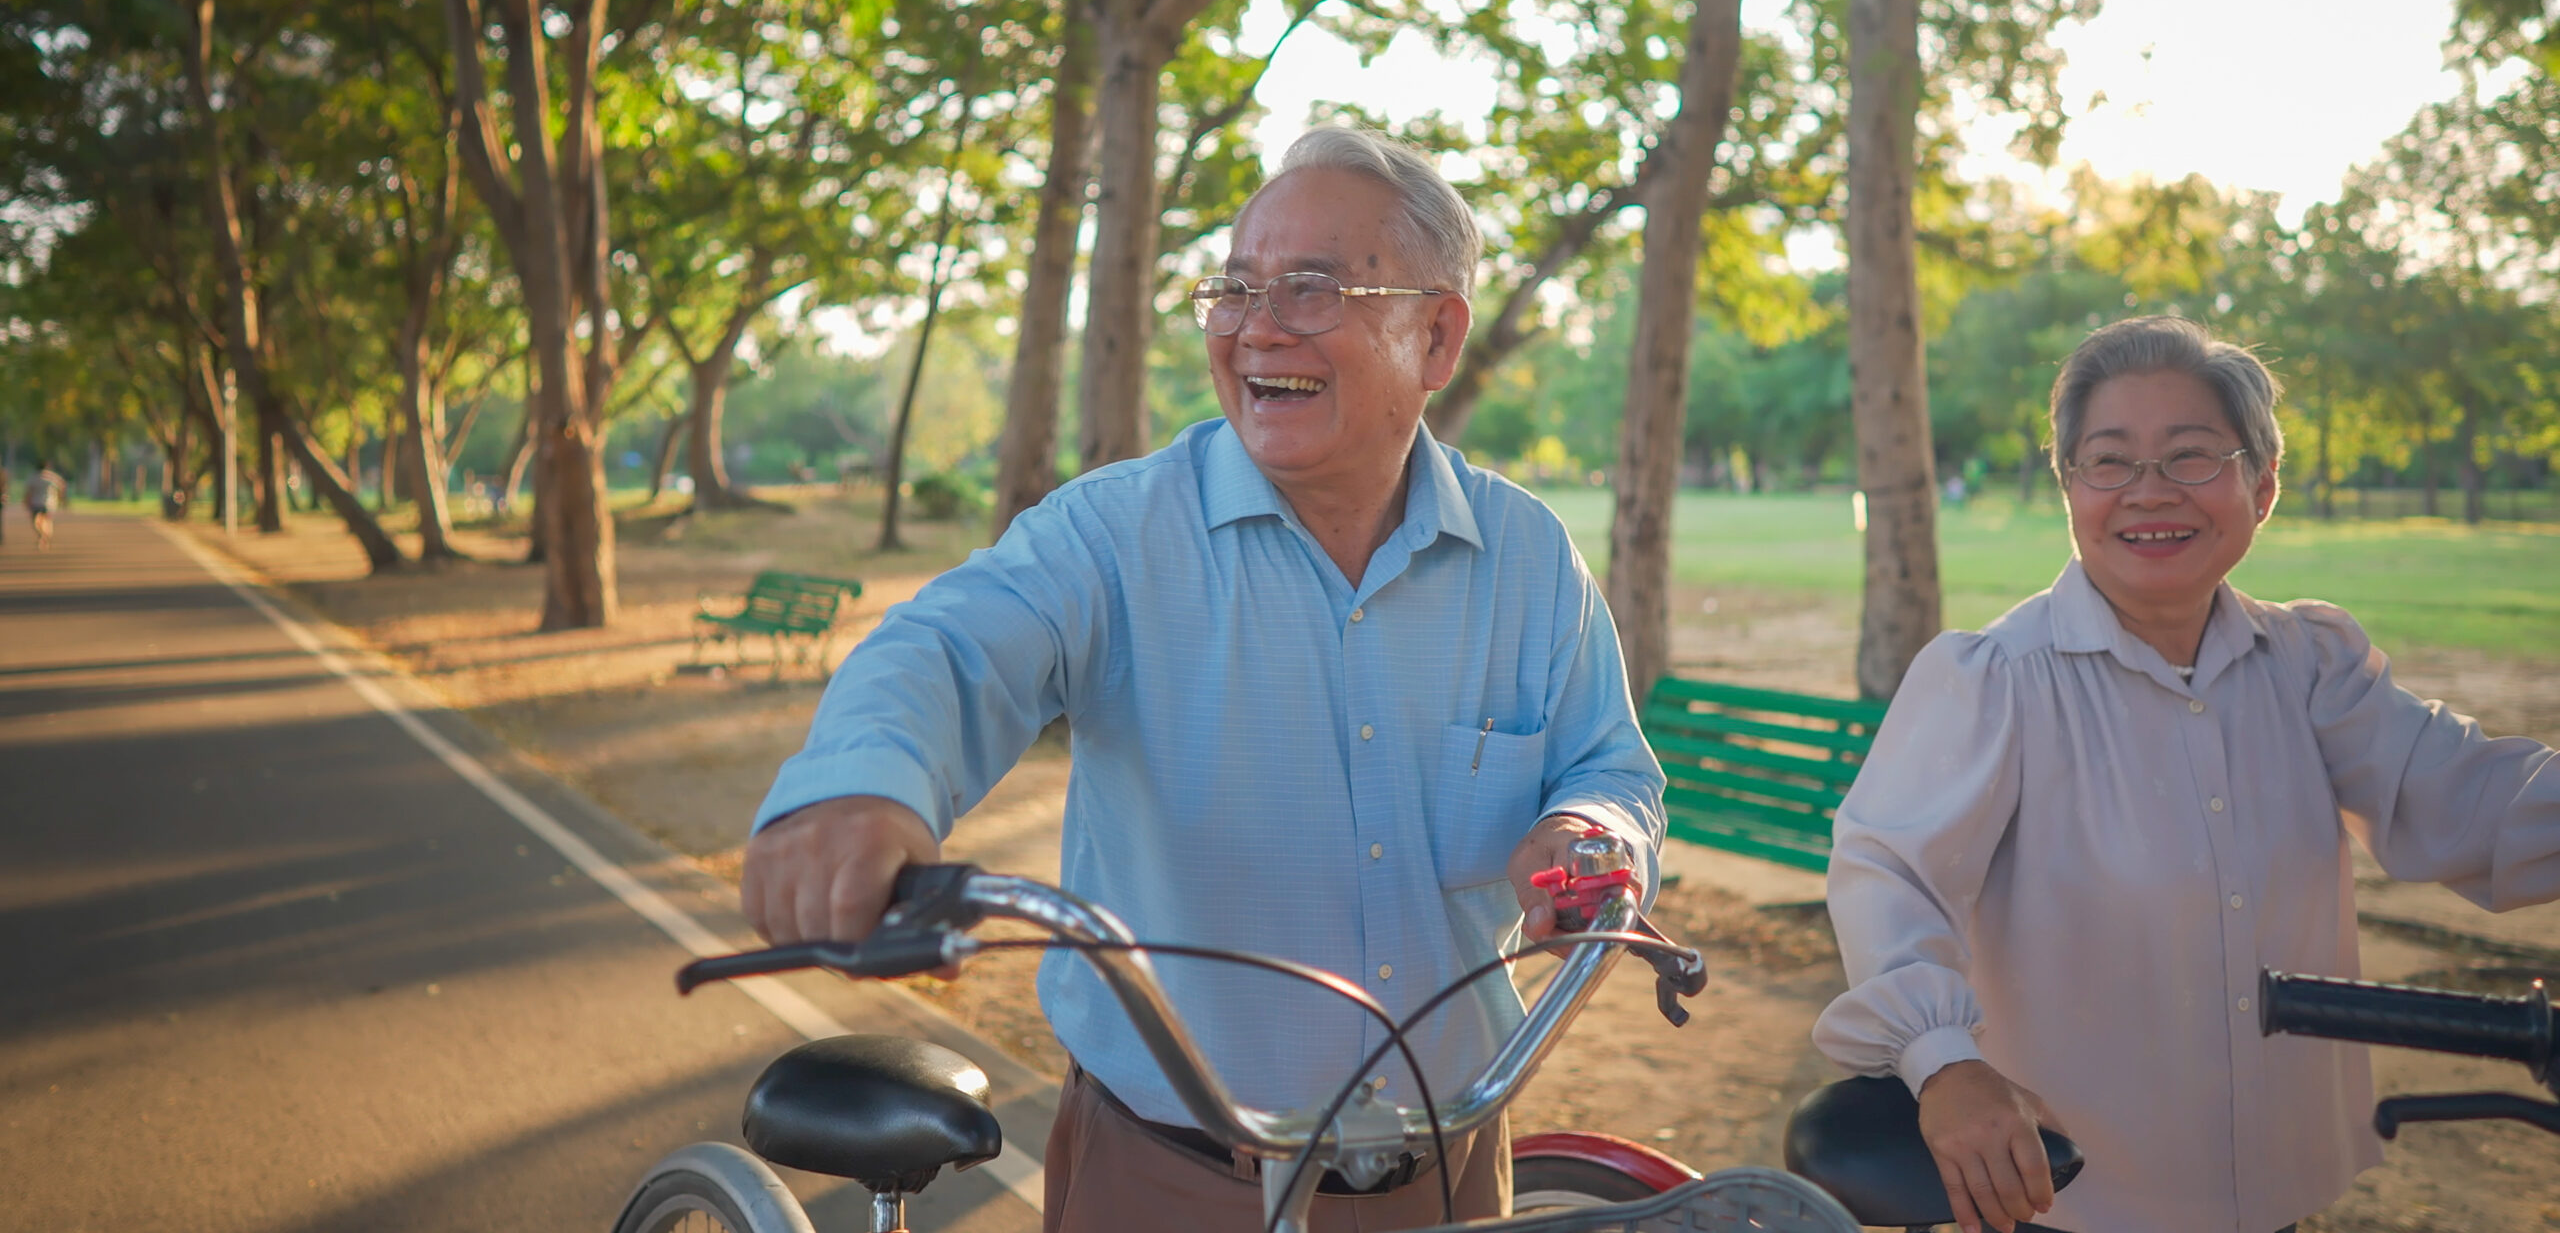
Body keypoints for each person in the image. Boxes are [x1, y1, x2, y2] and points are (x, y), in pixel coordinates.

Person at [742, 126, 1665, 1233]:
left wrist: (1587, 830)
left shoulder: (1526, 559)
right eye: (1232, 288)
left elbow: (1608, 767)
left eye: (1313, 288)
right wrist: (861, 786)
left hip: (1453, 1173)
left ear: (1436, 334)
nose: (1256, 326)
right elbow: (950, 646)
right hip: (1172, 1181)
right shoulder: (1115, 534)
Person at [1813, 316, 2559, 1233]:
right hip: (2073, 1199)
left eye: (2192, 456)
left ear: (2264, 485)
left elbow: (2469, 804)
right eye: (2110, 461)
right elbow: (1889, 871)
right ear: (2071, 489)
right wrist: (1943, 1060)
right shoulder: (1996, 680)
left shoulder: (2311, 665)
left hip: (2277, 1185)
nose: (2149, 492)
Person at [26, 460, 67, 551]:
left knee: (37, 522)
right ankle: (44, 536)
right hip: (46, 503)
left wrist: (26, 501)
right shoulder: (49, 477)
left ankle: (43, 535)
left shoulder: (37, 477)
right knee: (44, 522)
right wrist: (61, 497)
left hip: (40, 503)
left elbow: (28, 491)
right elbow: (62, 485)